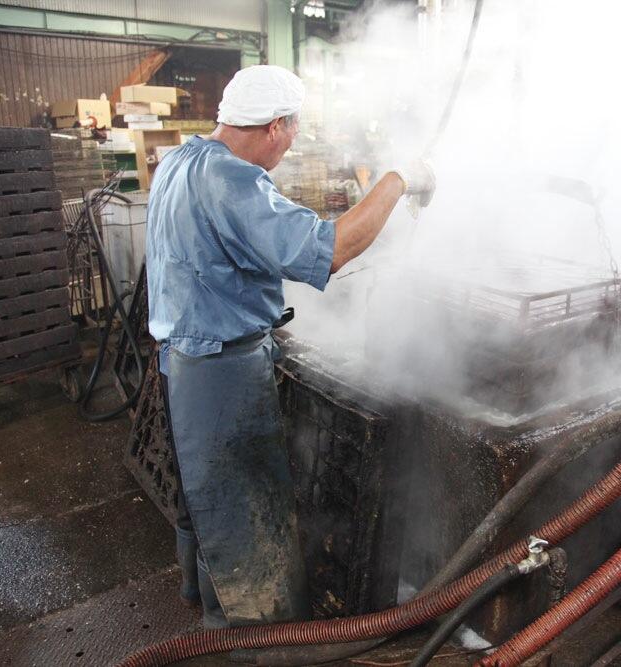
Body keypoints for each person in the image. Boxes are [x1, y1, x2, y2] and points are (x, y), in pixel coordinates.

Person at [145, 65, 435, 628]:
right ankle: (256, 638)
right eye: (295, 130)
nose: (294, 141)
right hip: (221, 374)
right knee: (245, 516)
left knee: (200, 497)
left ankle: (196, 592)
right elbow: (330, 249)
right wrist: (399, 179)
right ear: (276, 126)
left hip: (177, 359)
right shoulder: (234, 182)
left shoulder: (180, 160)